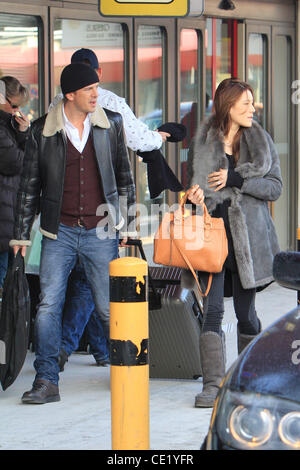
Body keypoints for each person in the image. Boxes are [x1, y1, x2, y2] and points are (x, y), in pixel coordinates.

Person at [10, 62, 136, 404]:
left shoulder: (111, 125)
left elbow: (125, 178)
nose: (96, 94)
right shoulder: (43, 131)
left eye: (97, 88)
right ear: (70, 95)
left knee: (109, 308)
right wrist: (21, 236)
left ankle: (128, 373)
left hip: (101, 231)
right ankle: (47, 380)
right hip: (58, 231)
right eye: (89, 90)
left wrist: (129, 225)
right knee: (49, 305)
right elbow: (28, 187)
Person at [53, 48, 170, 371]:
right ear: (99, 72)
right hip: (101, 209)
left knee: (84, 282)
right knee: (92, 285)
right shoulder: (111, 103)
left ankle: (100, 351)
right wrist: (159, 138)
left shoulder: (57, 104)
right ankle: (69, 350)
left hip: (66, 211)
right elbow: (138, 141)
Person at [185, 78, 282, 408]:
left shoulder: (261, 142)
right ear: (228, 107)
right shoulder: (204, 142)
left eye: (252, 103)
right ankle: (212, 385)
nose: (251, 109)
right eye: (245, 104)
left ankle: (249, 380)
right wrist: (194, 196)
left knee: (246, 313)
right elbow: (193, 188)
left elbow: (274, 188)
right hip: (212, 241)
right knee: (211, 312)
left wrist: (236, 179)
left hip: (249, 245)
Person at [0, 76, 30, 295]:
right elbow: (16, 162)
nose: (17, 112)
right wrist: (22, 136)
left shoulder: (7, 124)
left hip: (8, 214)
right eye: (15, 105)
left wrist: (23, 133)